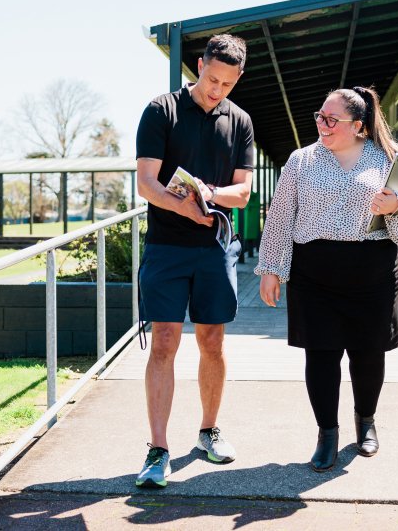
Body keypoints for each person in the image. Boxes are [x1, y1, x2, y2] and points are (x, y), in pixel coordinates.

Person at [255, 86, 398, 472]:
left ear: (359, 126)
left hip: (374, 271)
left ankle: (366, 422)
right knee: (321, 355)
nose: (322, 124)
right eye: (320, 116)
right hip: (314, 273)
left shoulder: (390, 157)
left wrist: (397, 204)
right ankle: (327, 433)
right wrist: (271, 269)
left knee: (368, 354)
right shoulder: (302, 161)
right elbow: (282, 216)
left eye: (332, 119)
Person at [134, 34, 254, 488]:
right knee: (164, 341)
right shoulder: (160, 110)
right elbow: (146, 183)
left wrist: (208, 193)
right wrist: (180, 204)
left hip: (216, 248)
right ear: (198, 65)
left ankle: (208, 431)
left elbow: (242, 192)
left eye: (226, 84)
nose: (216, 90)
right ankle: (157, 449)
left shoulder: (240, 121)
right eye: (211, 79)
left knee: (212, 343)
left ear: (236, 79)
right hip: (166, 246)